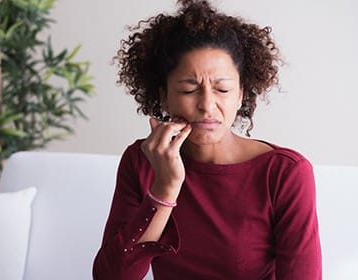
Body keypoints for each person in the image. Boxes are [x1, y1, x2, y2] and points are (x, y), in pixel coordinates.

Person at [93, 0, 322, 279]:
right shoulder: (142, 161)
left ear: (240, 95)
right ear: (163, 96)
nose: (207, 105)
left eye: (222, 89)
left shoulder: (285, 173)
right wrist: (165, 187)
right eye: (189, 90)